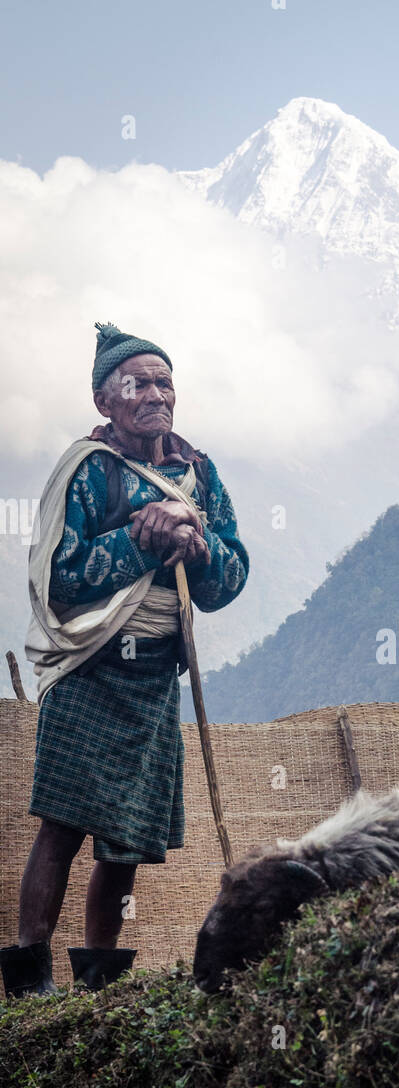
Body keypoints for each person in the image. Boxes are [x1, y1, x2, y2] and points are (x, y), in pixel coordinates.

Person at [0, 323, 249, 997]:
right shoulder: (89, 471)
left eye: (165, 381)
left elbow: (231, 577)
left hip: (156, 676)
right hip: (91, 670)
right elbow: (60, 577)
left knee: (127, 840)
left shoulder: (199, 474)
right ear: (106, 400)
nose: (156, 394)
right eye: (138, 383)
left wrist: (197, 549)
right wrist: (141, 543)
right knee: (63, 823)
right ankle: (28, 981)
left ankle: (100, 986)